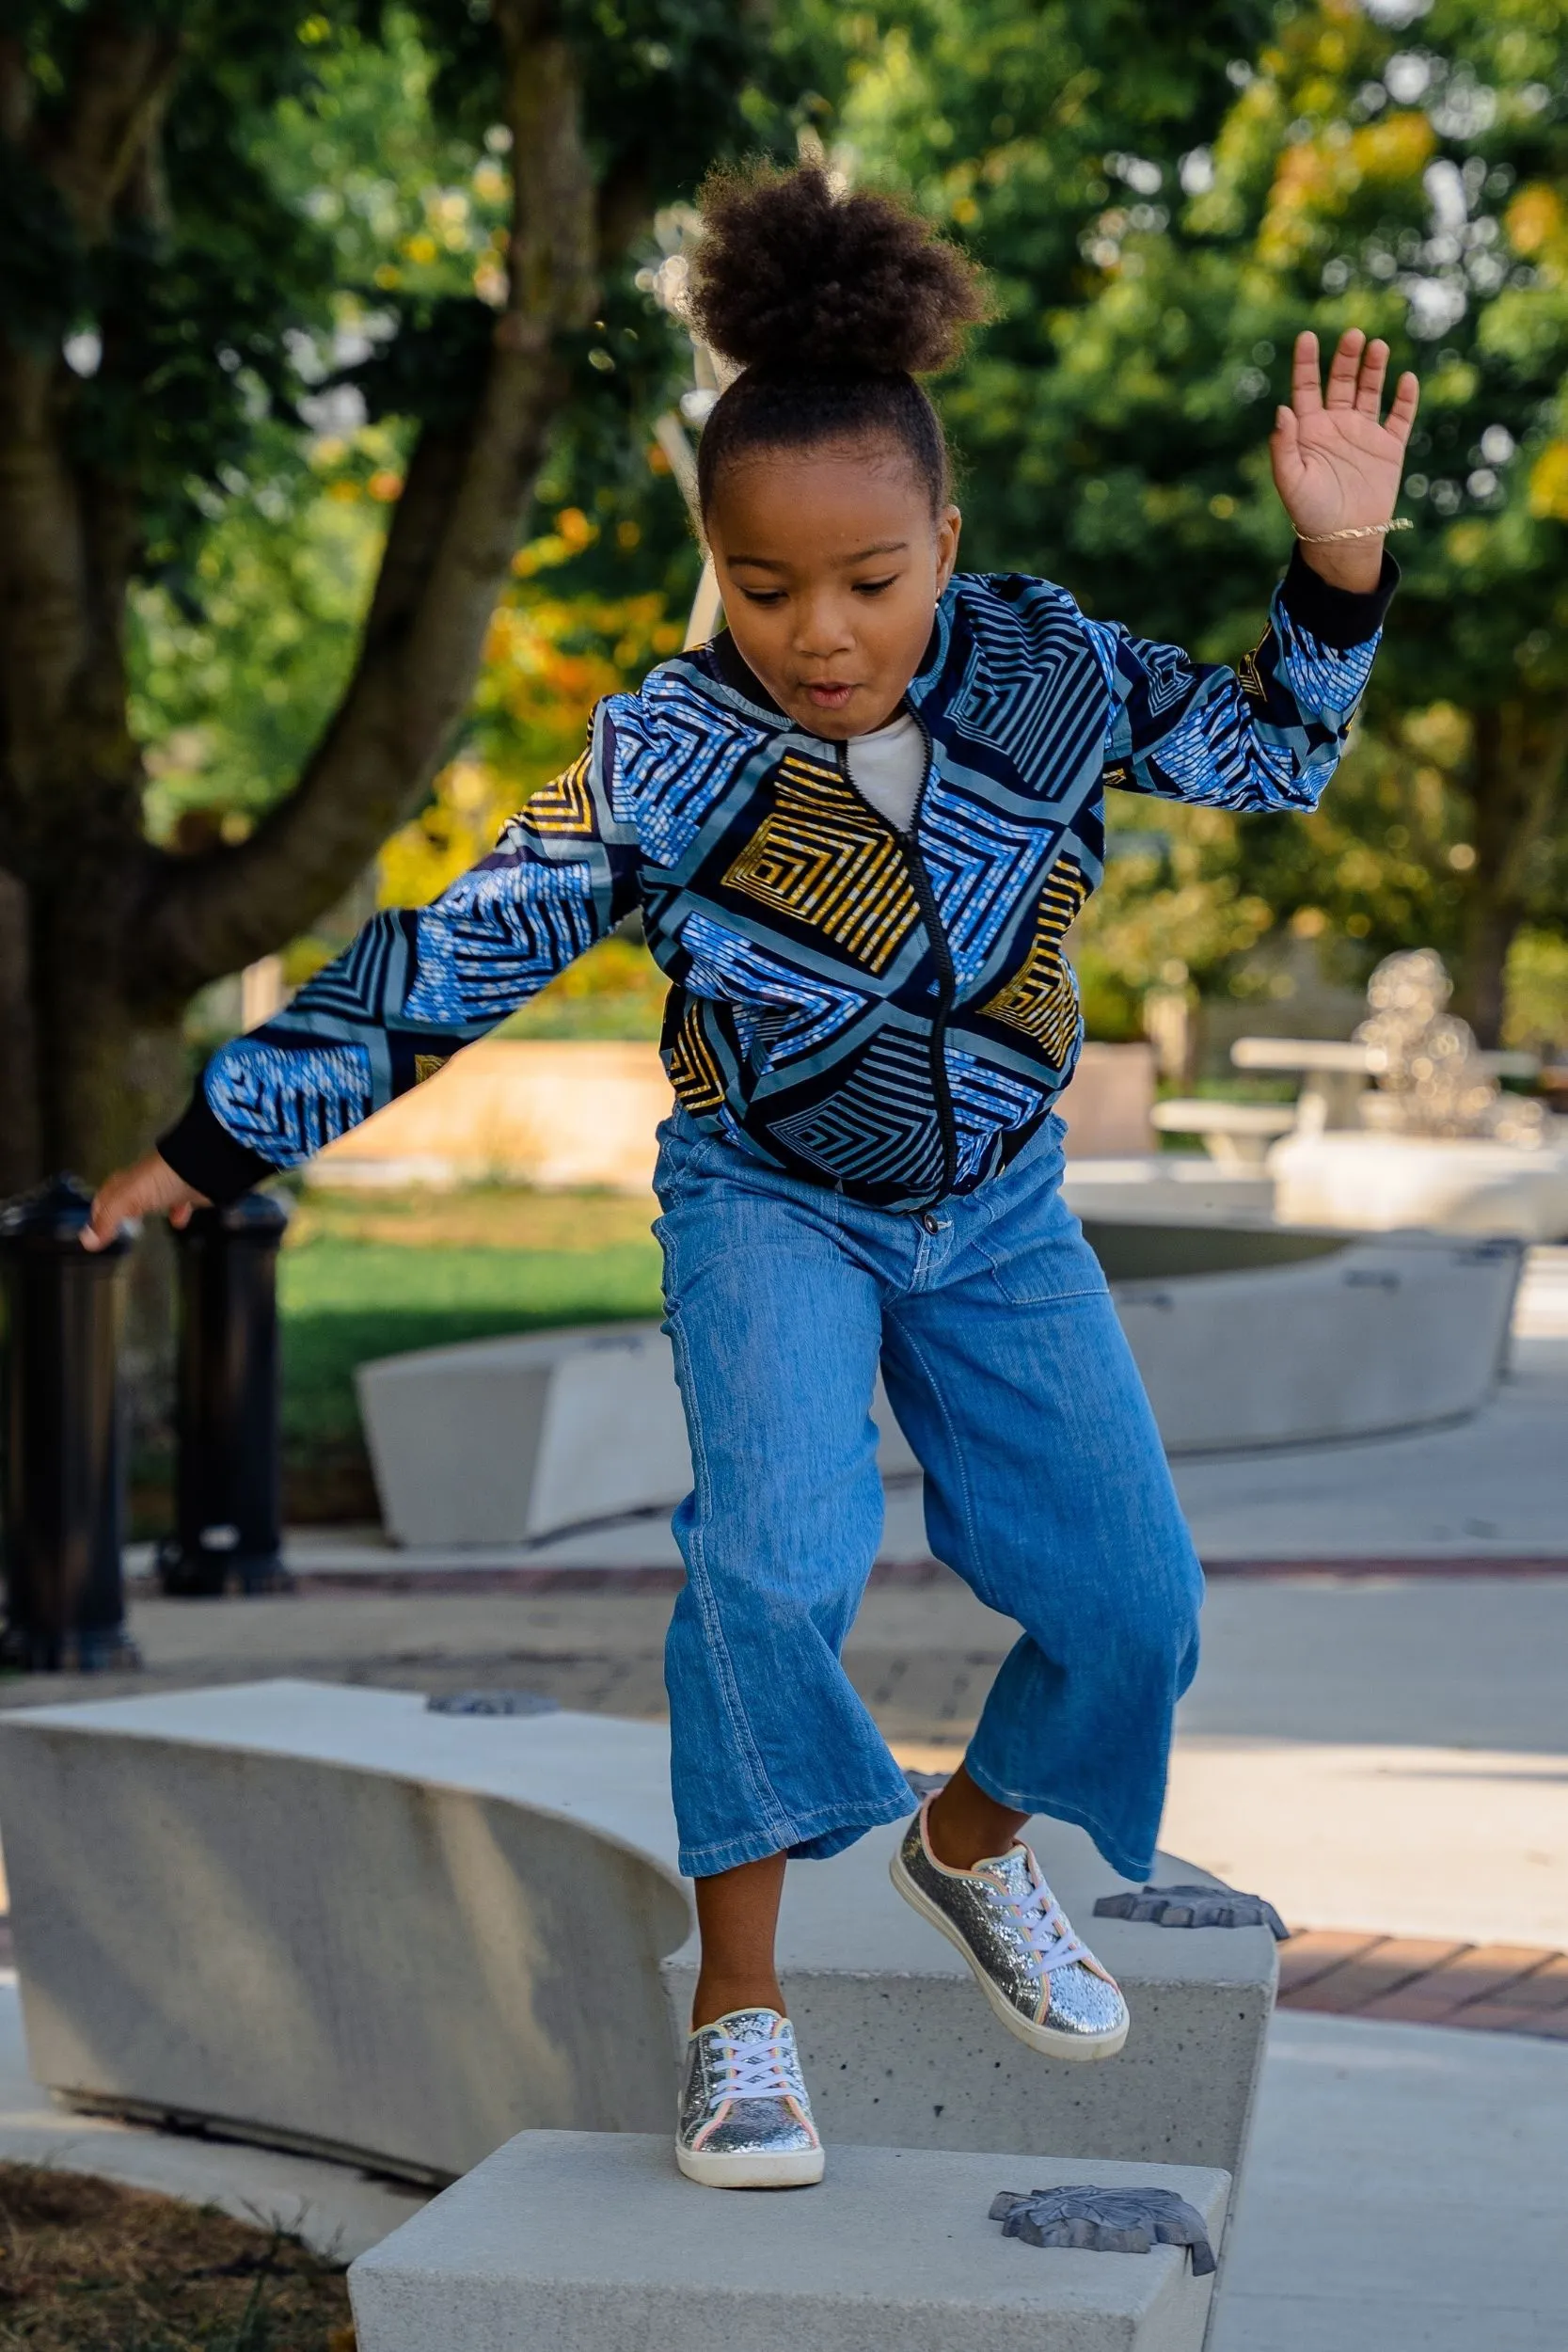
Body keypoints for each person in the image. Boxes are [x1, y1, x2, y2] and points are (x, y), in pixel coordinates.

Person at [88, 163, 1418, 2191]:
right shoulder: (664, 757)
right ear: (709, 563)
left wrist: (1330, 572)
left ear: (943, 544)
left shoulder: (1045, 673)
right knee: (770, 1566)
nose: (817, 632)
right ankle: (739, 2013)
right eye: (762, 585)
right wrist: (200, 1146)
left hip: (995, 1204)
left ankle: (966, 1849)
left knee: (1134, 1607)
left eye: (870, 580)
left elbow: (1265, 756)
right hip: (763, 1197)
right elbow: (446, 958)